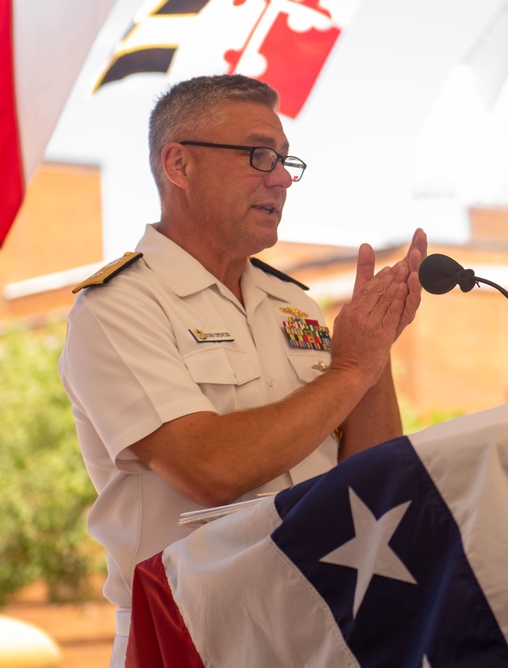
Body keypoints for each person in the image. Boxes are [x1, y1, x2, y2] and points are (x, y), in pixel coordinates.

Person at [58, 74, 427, 667]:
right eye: (258, 155)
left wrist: (373, 355)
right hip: (191, 632)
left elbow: (369, 487)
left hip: (315, 622)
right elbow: (210, 467)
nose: (281, 178)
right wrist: (351, 367)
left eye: (285, 160)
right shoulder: (118, 306)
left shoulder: (294, 305)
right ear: (178, 164)